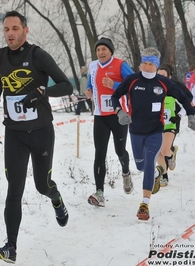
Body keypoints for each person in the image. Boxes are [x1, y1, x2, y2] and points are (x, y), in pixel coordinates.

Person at [0, 10, 72, 264]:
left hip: (41, 132)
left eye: (15, 29)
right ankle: (11, 247)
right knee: (14, 190)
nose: (10, 34)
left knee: (41, 186)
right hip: (14, 133)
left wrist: (43, 92)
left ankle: (56, 199)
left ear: (25, 30)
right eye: (6, 30)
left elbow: (66, 85)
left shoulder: (37, 55)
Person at [111, 47, 195, 221]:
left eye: (150, 64)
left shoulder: (164, 82)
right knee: (141, 166)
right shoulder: (132, 80)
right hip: (135, 130)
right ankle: (157, 175)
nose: (147, 66)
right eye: (145, 63)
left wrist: (190, 115)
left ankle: (144, 204)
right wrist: (119, 111)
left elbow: (183, 97)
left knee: (149, 162)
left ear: (156, 66)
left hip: (156, 131)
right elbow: (115, 96)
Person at [84, 37, 134, 207]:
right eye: (98, 50)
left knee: (120, 150)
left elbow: (133, 84)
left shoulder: (121, 65)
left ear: (111, 51)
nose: (101, 53)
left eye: (104, 49)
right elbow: (90, 83)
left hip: (118, 115)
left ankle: (126, 172)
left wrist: (115, 85)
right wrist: (89, 90)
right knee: (99, 153)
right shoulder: (93, 66)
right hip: (100, 116)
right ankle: (99, 193)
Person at [156, 64, 193, 186]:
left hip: (171, 122)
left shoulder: (176, 87)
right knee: (159, 152)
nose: (160, 78)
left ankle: (171, 153)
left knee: (165, 150)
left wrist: (179, 115)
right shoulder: (152, 86)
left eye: (163, 75)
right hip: (156, 123)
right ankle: (164, 177)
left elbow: (188, 101)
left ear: (170, 77)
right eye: (158, 75)